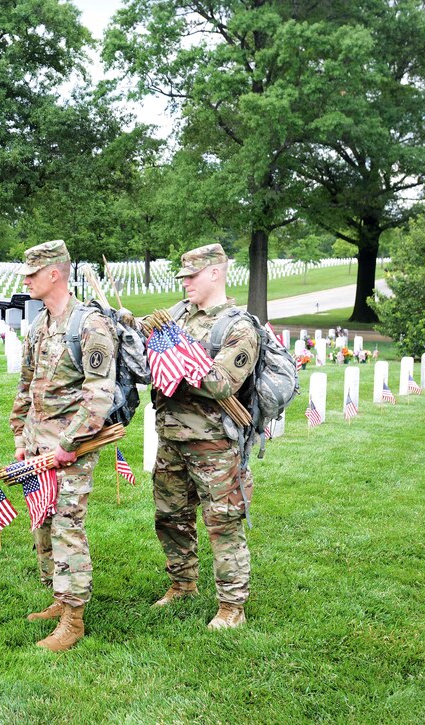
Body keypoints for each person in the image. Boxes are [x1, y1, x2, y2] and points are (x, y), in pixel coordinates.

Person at [10, 240, 116, 652]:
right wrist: (21, 437)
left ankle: (74, 619)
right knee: (43, 525)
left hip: (72, 450)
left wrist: (71, 444)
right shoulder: (40, 325)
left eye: (32, 273)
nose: (26, 280)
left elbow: (99, 394)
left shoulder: (89, 325)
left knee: (67, 526)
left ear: (54, 274)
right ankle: (58, 597)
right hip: (39, 448)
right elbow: (25, 386)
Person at [149, 243, 258, 629]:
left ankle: (232, 605)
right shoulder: (177, 315)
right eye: (183, 277)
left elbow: (224, 382)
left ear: (215, 273)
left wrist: (184, 359)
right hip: (171, 435)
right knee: (170, 517)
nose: (186, 284)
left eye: (192, 276)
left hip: (214, 443)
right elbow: (151, 363)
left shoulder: (238, 327)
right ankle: (182, 583)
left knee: (223, 522)